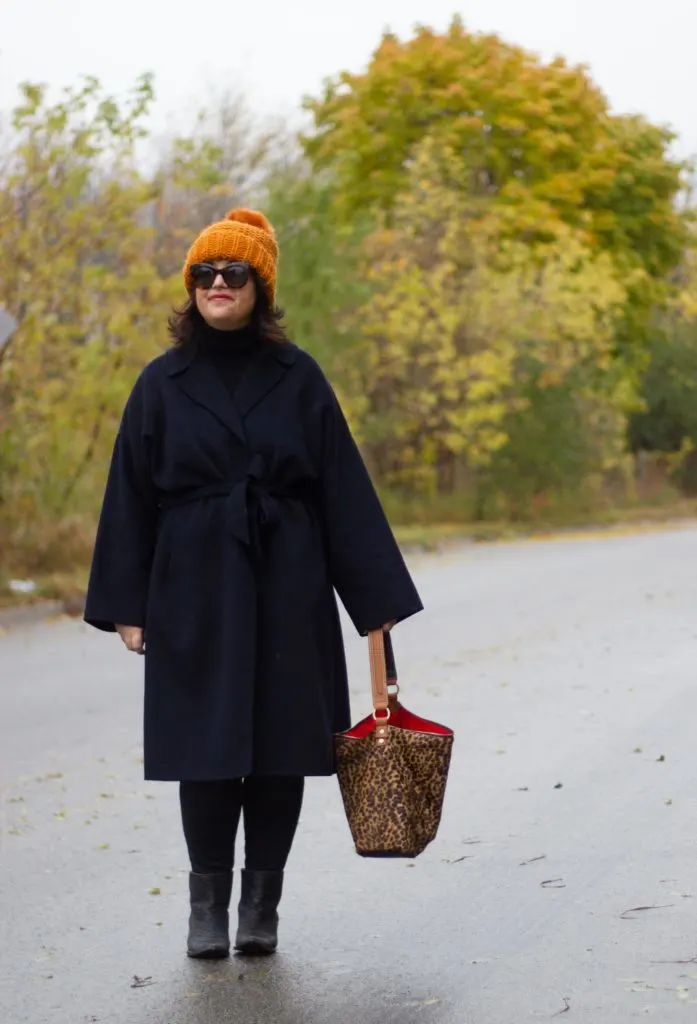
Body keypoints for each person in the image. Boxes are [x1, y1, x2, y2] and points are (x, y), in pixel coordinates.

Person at [84, 207, 423, 959]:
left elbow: (341, 490)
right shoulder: (160, 383)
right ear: (190, 288)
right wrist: (125, 605)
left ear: (259, 287)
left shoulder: (298, 377)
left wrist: (374, 606)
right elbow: (129, 494)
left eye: (232, 273)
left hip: (287, 581)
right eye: (203, 273)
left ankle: (259, 907)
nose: (216, 284)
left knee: (279, 750)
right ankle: (206, 907)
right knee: (204, 750)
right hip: (192, 584)